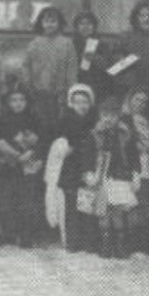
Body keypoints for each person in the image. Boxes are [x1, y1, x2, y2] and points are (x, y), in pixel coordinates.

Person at [89, 96, 140, 259]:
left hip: (120, 177)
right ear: (99, 116)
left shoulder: (126, 134)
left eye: (112, 115)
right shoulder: (95, 134)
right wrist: (89, 173)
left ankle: (120, 242)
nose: (108, 118)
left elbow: (133, 156)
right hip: (102, 176)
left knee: (118, 211)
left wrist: (135, 174)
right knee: (103, 211)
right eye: (104, 115)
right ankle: (105, 241)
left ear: (118, 116)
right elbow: (87, 156)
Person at [0, 86, 45, 248]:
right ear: (8, 103)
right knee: (7, 200)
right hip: (8, 165)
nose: (18, 104)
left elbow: (42, 139)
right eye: (14, 100)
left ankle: (26, 235)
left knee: (27, 200)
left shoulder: (34, 119)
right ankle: (9, 233)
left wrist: (31, 153)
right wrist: (16, 156)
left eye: (21, 100)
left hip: (29, 164)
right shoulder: (1, 119)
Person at [55, 84, 99, 253]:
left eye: (85, 102)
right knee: (71, 206)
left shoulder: (94, 122)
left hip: (87, 167)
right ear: (71, 104)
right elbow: (59, 144)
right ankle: (72, 242)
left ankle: (88, 242)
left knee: (86, 204)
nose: (81, 106)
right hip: (70, 169)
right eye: (77, 102)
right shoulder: (65, 122)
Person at [21, 6, 78, 134]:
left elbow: (72, 68)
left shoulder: (67, 44)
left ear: (59, 23)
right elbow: (26, 66)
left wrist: (71, 89)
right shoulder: (34, 44)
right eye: (46, 21)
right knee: (40, 123)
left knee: (59, 124)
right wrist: (28, 84)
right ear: (41, 24)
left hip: (60, 93)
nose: (50, 25)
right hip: (39, 92)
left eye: (53, 21)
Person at [120, 86, 149, 254]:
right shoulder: (123, 119)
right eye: (137, 99)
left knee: (144, 203)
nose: (141, 104)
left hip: (148, 164)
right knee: (130, 203)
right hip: (130, 165)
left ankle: (143, 243)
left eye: (144, 101)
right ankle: (129, 243)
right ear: (129, 100)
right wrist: (135, 145)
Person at [72, 11, 115, 101]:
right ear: (77, 26)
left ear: (94, 26)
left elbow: (110, 67)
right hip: (77, 84)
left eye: (89, 23)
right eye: (82, 24)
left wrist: (96, 59)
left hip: (98, 86)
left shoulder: (102, 44)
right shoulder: (72, 44)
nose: (85, 27)